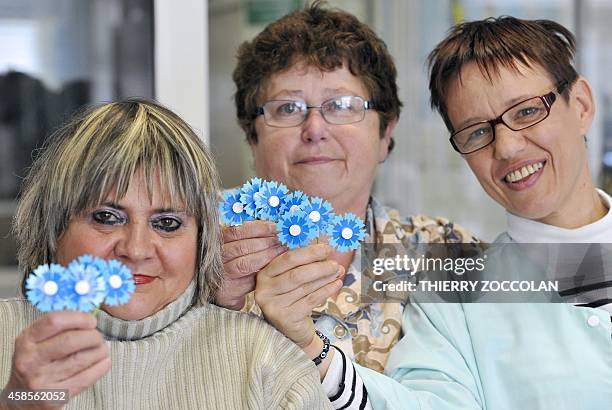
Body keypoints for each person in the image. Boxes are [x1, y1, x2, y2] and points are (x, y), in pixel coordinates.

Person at [342, 16, 612, 409]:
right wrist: (317, 355)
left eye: (525, 112)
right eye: (478, 132)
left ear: (582, 105)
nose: (506, 148)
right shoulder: (454, 291)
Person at [218, 3, 478, 408]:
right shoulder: (192, 242)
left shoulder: (443, 250)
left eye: (342, 105)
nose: (315, 129)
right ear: (251, 136)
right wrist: (212, 311)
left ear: (385, 132)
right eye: (288, 108)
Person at [0, 99, 332, 409]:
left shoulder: (269, 361)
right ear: (53, 225)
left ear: (202, 239)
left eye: (168, 223)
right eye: (106, 217)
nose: (136, 249)